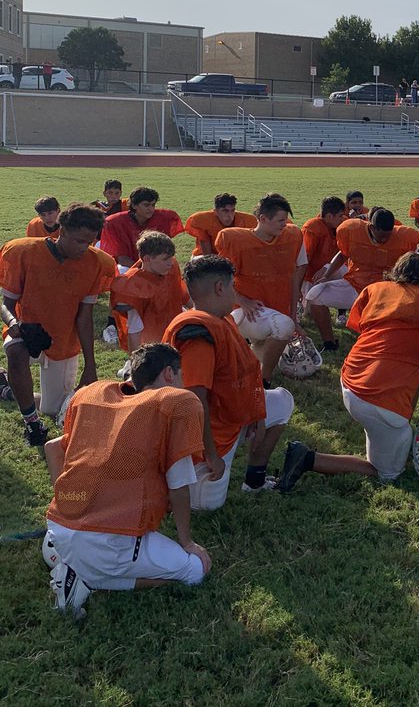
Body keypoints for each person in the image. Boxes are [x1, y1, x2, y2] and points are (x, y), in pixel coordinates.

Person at [278, 252, 419, 492]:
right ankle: (308, 458)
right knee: (386, 473)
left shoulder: (377, 290)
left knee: (412, 374)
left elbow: (366, 331)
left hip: (351, 379)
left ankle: (386, 432)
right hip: (379, 399)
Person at [43, 343, 210, 617]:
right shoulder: (173, 405)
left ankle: (79, 569)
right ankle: (88, 579)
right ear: (169, 374)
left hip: (60, 528)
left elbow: (52, 447)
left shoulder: (94, 395)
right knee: (196, 570)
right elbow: (179, 485)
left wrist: (70, 503)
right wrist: (187, 541)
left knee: (77, 551)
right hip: (109, 542)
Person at [164, 255, 294, 502]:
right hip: (210, 432)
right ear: (220, 288)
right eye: (233, 286)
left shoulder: (220, 318)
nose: (235, 293)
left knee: (282, 401)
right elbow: (194, 401)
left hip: (229, 414)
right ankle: (179, 480)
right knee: (207, 505)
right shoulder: (199, 335)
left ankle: (254, 480)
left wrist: (257, 414)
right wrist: (211, 454)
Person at [0, 203, 115, 448]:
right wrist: (14, 323)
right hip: (27, 328)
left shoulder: (96, 263)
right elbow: (6, 305)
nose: (83, 248)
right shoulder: (22, 252)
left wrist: (91, 364)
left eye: (89, 243)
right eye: (79, 241)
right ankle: (32, 424)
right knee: (16, 351)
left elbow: (84, 318)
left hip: (63, 338)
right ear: (62, 231)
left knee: (52, 406)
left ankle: (3, 386)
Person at [214, 193, 305, 382]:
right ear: (263, 218)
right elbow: (219, 281)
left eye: (285, 220)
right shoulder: (235, 240)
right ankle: (264, 381)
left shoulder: (292, 236)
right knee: (283, 327)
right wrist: (242, 300)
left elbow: (293, 279)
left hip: (275, 309)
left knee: (276, 337)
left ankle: (244, 366)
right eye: (280, 220)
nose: (284, 224)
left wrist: (294, 318)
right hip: (247, 311)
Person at [305, 209, 419, 316]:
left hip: (384, 289)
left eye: (387, 236)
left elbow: (412, 264)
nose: (384, 240)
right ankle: (328, 338)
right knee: (315, 295)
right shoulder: (352, 230)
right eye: (381, 236)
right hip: (355, 284)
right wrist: (326, 276)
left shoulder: (404, 237)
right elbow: (343, 255)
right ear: (371, 227)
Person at [110, 230, 190, 357]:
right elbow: (135, 328)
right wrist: (136, 361)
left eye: (171, 257)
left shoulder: (171, 266)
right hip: (151, 343)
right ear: (147, 259)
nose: (170, 262)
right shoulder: (133, 284)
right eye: (165, 259)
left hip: (176, 332)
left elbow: (182, 294)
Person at [301, 196, 349, 350]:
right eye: (340, 216)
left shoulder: (340, 225)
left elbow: (344, 254)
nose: (344, 218)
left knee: (346, 273)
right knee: (308, 315)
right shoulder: (313, 228)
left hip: (328, 270)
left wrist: (327, 267)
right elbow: (303, 260)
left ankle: (342, 313)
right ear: (329, 216)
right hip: (310, 275)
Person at [100, 186, 184, 270]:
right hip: (128, 267)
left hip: (153, 264)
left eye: (153, 205)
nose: (151, 209)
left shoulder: (163, 218)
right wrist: (145, 271)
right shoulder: (115, 222)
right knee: (122, 270)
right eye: (146, 205)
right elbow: (122, 259)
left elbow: (165, 252)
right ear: (134, 205)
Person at [185, 193, 258, 258]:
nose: (230, 216)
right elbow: (207, 256)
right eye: (225, 211)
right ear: (216, 211)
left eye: (232, 210)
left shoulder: (246, 220)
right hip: (204, 256)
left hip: (232, 257)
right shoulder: (204, 221)